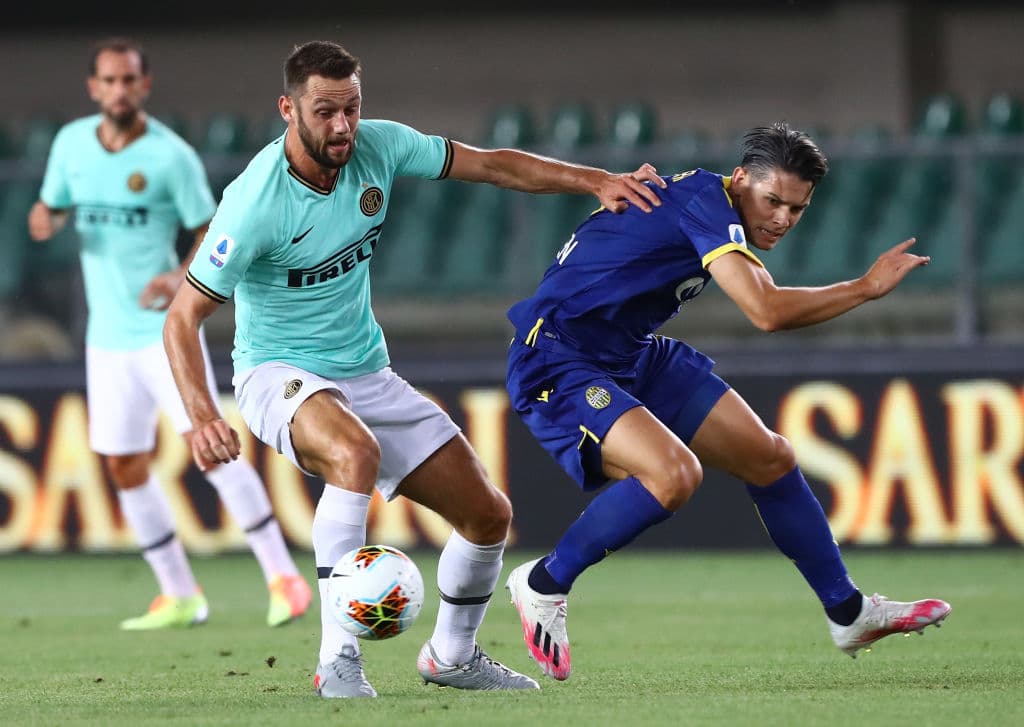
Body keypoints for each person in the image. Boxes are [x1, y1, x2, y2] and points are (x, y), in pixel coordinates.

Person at [162, 39, 665, 699]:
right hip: (274, 373)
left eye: (351, 109)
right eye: (324, 113)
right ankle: (336, 660)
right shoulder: (255, 201)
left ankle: (451, 656)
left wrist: (594, 180)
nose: (342, 127)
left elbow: (493, 166)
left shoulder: (382, 146)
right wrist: (201, 416)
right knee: (354, 452)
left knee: (488, 515)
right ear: (287, 109)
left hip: (364, 372)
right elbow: (182, 317)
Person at [503, 122, 952, 681]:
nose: (783, 219)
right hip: (558, 357)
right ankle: (544, 583)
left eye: (797, 209)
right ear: (740, 179)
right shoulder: (704, 205)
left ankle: (849, 612)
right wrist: (864, 286)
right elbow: (766, 312)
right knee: (673, 476)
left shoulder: (715, 205)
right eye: (773, 201)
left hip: (630, 353)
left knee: (770, 458)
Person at [28, 37, 311, 630]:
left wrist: (179, 276)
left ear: (144, 86)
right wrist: (45, 217)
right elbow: (48, 207)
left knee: (210, 445)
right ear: (94, 87)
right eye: (108, 80)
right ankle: (180, 594)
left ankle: (283, 577)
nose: (119, 90)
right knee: (124, 465)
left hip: (163, 333)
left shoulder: (170, 157)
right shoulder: (70, 145)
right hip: (104, 341)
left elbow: (213, 229)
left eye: (129, 80)